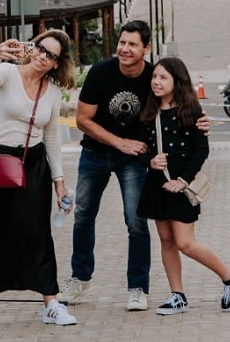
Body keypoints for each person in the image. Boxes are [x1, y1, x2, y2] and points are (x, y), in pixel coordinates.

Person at [57, 20, 210, 311]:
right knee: (84, 216)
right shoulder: (101, 72)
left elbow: (182, 103)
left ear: (146, 48)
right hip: (96, 153)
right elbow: (82, 120)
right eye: (122, 43)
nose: (124, 49)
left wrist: (202, 122)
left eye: (132, 44)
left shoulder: (155, 77)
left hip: (137, 160)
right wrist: (120, 142)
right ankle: (80, 279)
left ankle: (138, 287)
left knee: (136, 221)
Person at [0, 30, 78, 329]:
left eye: (51, 55)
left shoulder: (52, 90)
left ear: (57, 63)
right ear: (33, 48)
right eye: (41, 49)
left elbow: (52, 135)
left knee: (38, 230)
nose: (43, 56)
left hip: (34, 163)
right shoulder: (7, 72)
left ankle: (51, 303)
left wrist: (59, 181)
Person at [137, 57, 230, 315]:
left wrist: (183, 181)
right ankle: (177, 295)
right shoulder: (148, 112)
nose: (156, 82)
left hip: (181, 186)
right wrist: (150, 160)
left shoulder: (191, 112)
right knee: (166, 241)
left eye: (163, 78)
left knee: (186, 243)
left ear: (177, 81)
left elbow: (201, 150)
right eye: (154, 77)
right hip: (157, 183)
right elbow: (141, 147)